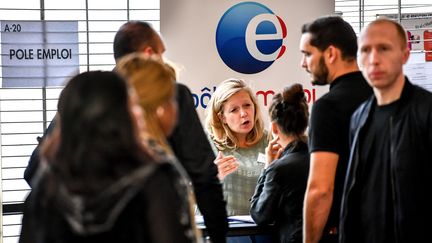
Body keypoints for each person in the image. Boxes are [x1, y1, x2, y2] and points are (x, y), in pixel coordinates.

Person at [25, 21, 228, 243]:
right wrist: (218, 236)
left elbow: (33, 171)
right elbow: (203, 175)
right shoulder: (154, 177)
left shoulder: (88, 100)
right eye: (161, 53)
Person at [19, 71, 199, 243]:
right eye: (133, 105)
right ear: (119, 117)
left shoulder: (44, 191)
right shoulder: (152, 183)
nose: (138, 113)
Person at [339, 18, 432, 243]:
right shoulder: (359, 118)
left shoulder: (426, 111)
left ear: (405, 54)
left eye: (384, 48)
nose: (374, 59)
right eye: (365, 50)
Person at [299, 16, 372, 243]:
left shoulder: (327, 108)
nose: (303, 63)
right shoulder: (384, 96)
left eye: (308, 54)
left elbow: (321, 189)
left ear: (330, 54)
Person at [250, 83, 310, 243]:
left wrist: (267, 168)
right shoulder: (322, 158)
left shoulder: (279, 169)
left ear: (275, 128)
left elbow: (259, 214)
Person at [205, 78, 268, 216]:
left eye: (247, 105)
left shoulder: (270, 140)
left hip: (263, 229)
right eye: (234, 110)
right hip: (225, 231)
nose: (244, 113)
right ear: (222, 118)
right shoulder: (208, 144)